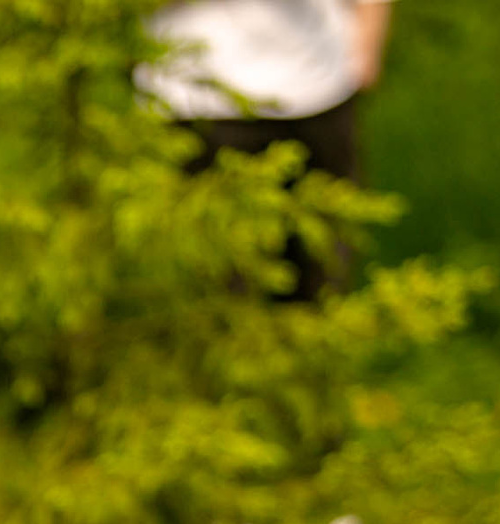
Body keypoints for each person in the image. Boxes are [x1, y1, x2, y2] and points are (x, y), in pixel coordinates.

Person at [135, 0, 394, 300]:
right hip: (197, 101)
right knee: (219, 288)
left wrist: (367, 40)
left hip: (319, 88)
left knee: (322, 278)